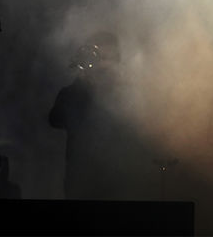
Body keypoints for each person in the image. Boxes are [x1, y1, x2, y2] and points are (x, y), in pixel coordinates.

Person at [49, 32, 152, 200]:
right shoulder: (74, 91)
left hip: (116, 174)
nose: (101, 64)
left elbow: (139, 124)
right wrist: (81, 83)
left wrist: (119, 86)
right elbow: (55, 119)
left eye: (108, 58)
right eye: (97, 57)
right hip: (80, 174)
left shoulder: (123, 91)